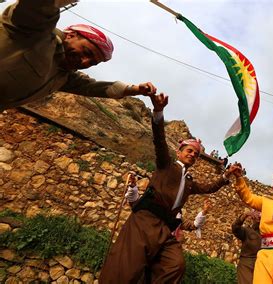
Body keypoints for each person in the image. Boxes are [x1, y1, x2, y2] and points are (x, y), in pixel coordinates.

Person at [99, 93, 240, 283]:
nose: (192, 155)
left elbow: (209, 187)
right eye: (189, 151)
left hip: (166, 228)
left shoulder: (189, 181)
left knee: (175, 265)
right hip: (145, 221)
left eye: (196, 154)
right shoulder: (166, 165)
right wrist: (158, 112)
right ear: (179, 152)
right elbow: (159, 140)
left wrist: (226, 175)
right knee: (126, 268)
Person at [0, 0, 155, 112]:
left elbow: (94, 88)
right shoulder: (36, 32)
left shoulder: (63, 77)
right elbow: (38, 7)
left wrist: (134, 89)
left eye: (93, 63)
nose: (85, 61)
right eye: (87, 52)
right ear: (71, 35)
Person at [232, 210, 261, 284]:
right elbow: (235, 228)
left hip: (262, 264)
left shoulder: (269, 232)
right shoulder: (247, 231)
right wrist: (245, 215)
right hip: (247, 265)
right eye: (257, 212)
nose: (259, 215)